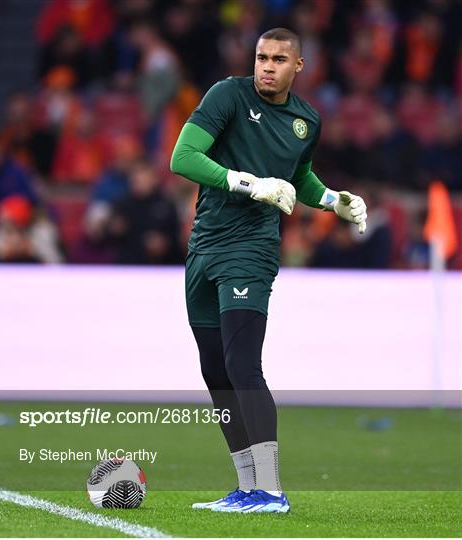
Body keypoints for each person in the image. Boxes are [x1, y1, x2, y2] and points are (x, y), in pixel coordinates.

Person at [170, 28, 367, 514]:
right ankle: (245, 488)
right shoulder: (227, 95)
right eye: (261, 57)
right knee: (215, 370)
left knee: (242, 365)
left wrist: (330, 200)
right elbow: (183, 157)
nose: (267, 66)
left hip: (250, 250)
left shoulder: (305, 120)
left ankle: (272, 491)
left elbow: (298, 175)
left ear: (298, 66)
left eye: (279, 59)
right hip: (204, 247)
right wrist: (246, 182)